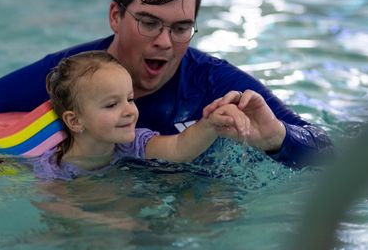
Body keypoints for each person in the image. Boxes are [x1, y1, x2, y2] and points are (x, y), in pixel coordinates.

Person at [0, 0, 331, 168]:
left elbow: (329, 156)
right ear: (116, 15)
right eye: (148, 22)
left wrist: (277, 140)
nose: (165, 42)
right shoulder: (67, 77)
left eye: (181, 28)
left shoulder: (215, 85)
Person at [30, 50, 250, 180]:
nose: (129, 110)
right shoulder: (54, 169)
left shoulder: (133, 144)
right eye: (112, 104)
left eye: (130, 99)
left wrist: (211, 124)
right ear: (75, 121)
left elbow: (179, 148)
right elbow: (57, 209)